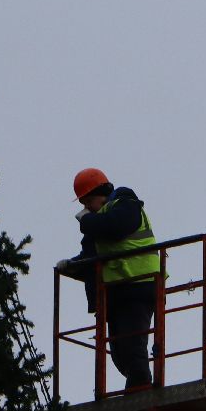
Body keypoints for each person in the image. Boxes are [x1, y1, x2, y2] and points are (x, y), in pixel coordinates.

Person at [57, 167, 162, 392]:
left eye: (88, 202)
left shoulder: (126, 204)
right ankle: (136, 385)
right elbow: (90, 255)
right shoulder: (99, 222)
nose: (87, 208)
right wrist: (72, 265)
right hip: (115, 293)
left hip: (140, 285)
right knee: (119, 352)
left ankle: (141, 388)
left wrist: (87, 221)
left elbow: (115, 227)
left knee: (133, 342)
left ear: (100, 195)